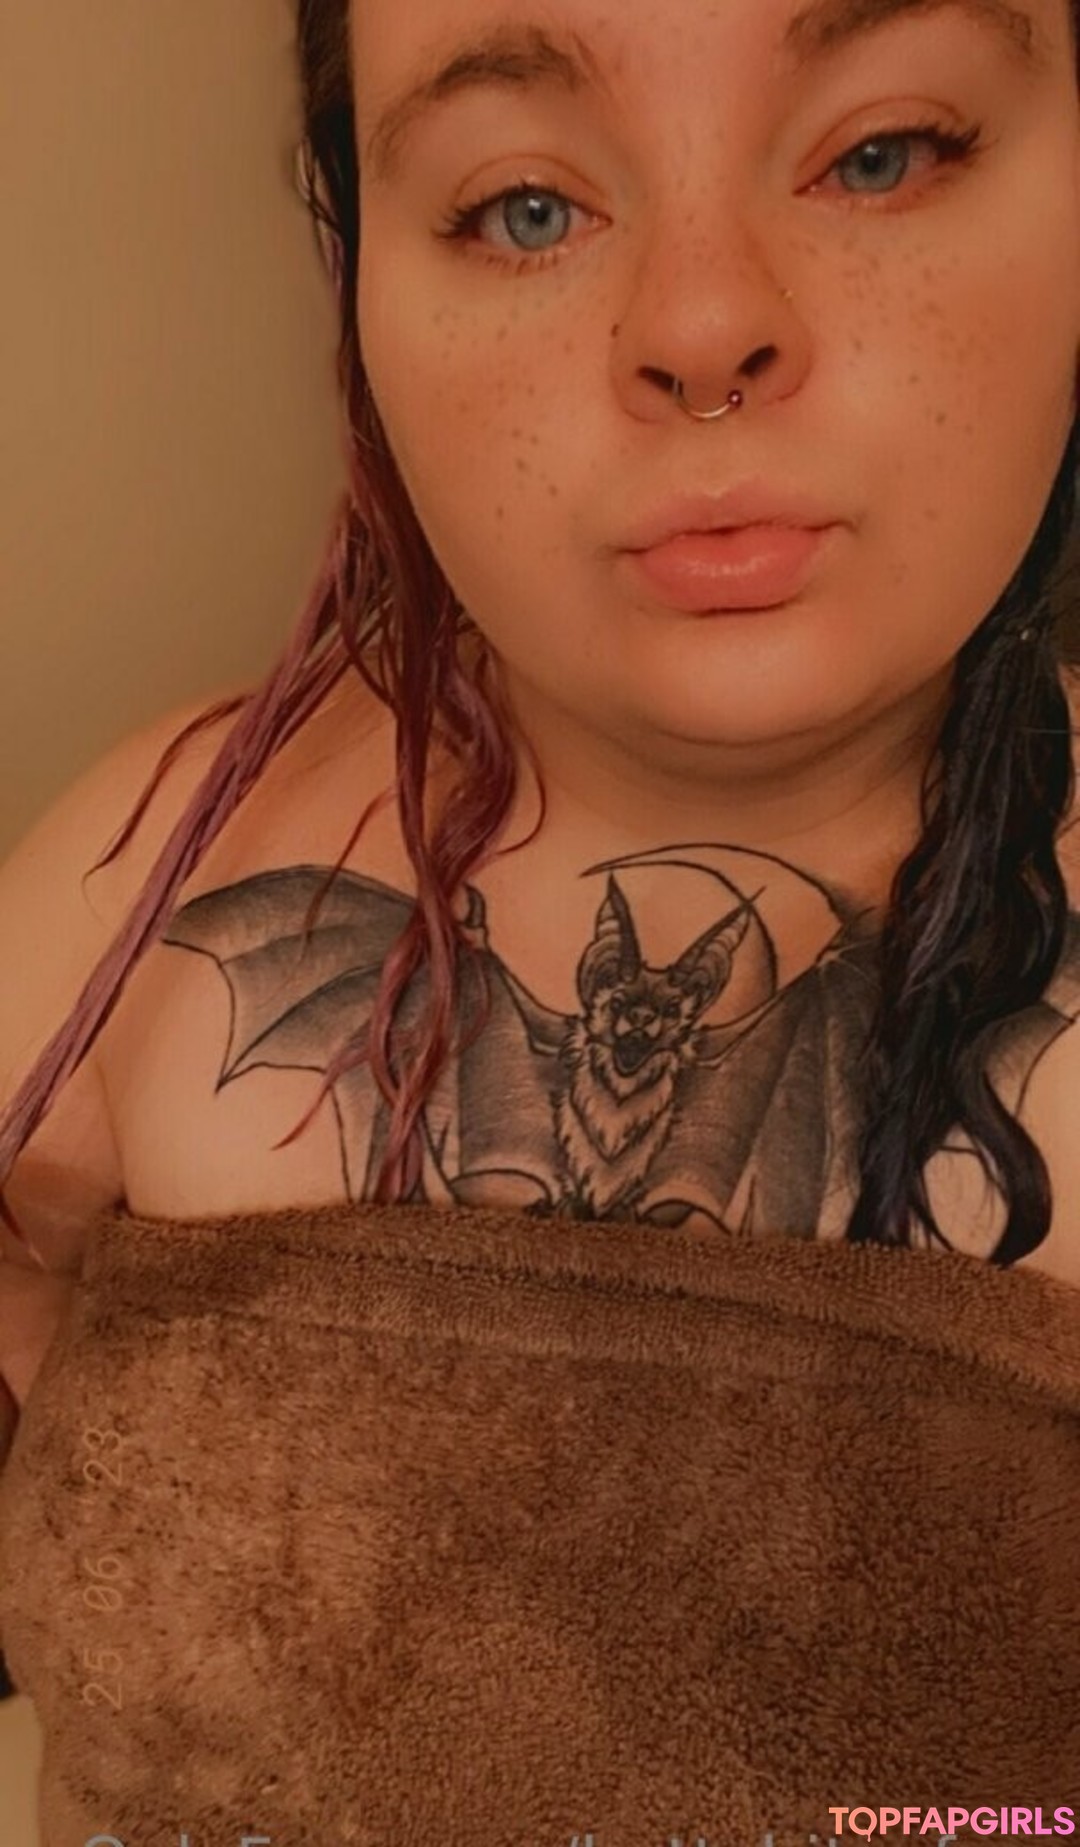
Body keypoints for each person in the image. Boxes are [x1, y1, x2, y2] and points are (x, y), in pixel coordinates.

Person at [3, 0, 1080, 1824]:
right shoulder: (157, 877)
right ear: (356, 263)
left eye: (882, 153)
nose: (701, 326)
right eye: (523, 207)